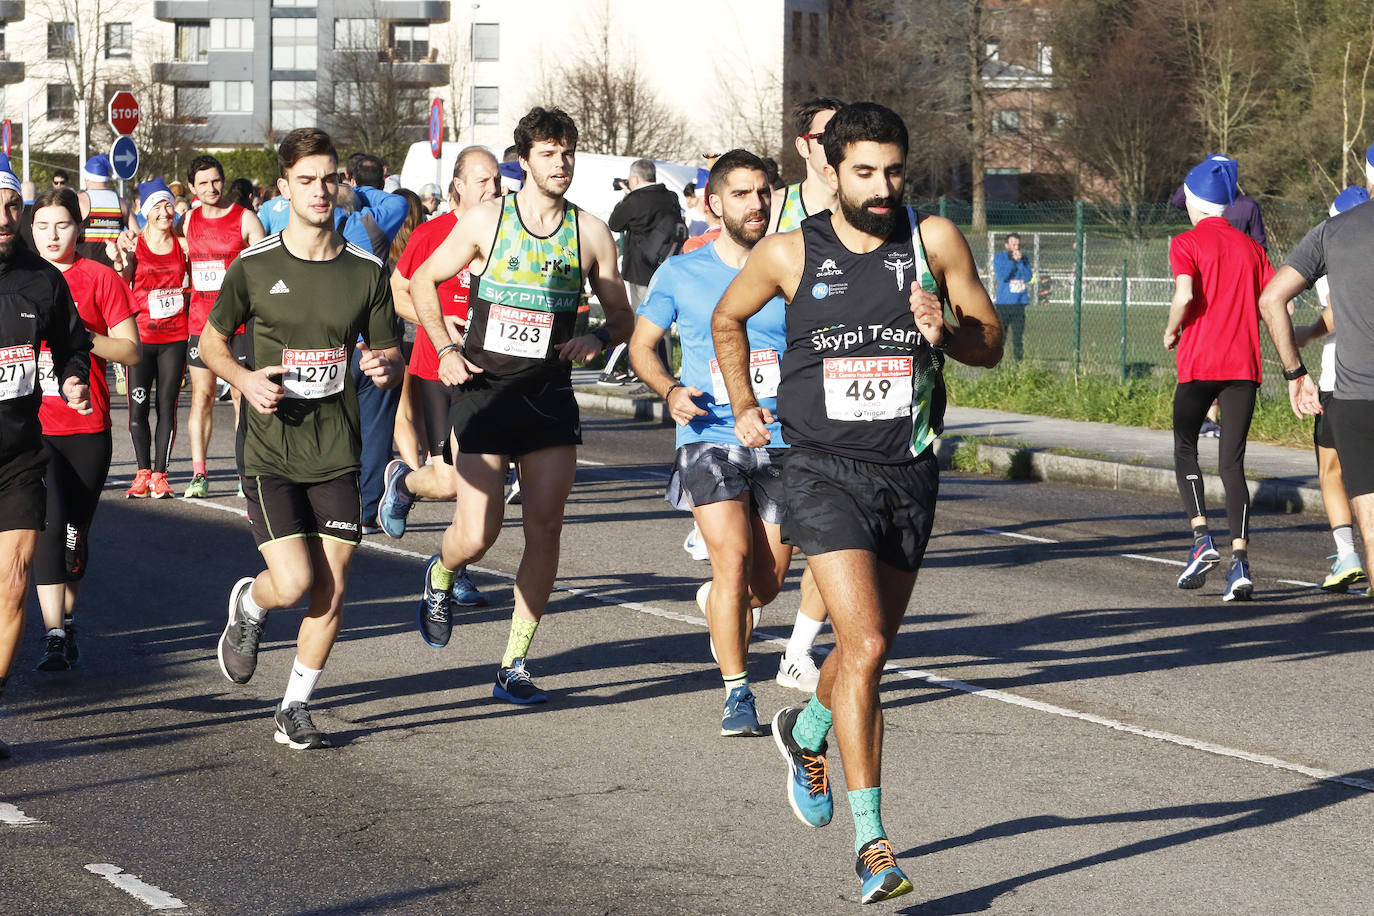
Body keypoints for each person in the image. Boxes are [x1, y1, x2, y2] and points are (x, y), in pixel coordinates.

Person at [712, 102, 1003, 903]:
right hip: (819, 470)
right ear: (832, 172)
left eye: (894, 171)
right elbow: (726, 318)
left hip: (908, 473)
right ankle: (872, 842)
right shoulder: (786, 252)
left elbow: (991, 339)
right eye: (865, 172)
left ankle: (806, 731)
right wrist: (742, 403)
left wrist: (945, 332)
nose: (882, 187)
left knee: (868, 651)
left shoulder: (932, 240)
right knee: (865, 644)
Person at [407, 107, 634, 704]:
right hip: (485, 392)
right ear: (525, 160)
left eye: (568, 152)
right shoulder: (487, 220)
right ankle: (441, 571)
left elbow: (621, 316)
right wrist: (446, 347)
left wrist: (599, 338)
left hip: (549, 397)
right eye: (548, 153)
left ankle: (514, 662)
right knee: (478, 532)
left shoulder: (590, 232)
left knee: (545, 528)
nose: (561, 163)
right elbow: (422, 282)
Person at [206, 127, 403, 750]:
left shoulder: (365, 270)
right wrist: (242, 378)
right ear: (285, 186)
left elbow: (389, 349)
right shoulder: (256, 264)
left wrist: (384, 365)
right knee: (291, 584)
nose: (321, 191)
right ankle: (251, 605)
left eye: (330, 178)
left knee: (333, 586)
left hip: (336, 448)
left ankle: (294, 705)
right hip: (270, 447)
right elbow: (211, 342)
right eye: (308, 180)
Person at [630, 149, 831, 737]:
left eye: (764, 192)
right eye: (742, 194)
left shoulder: (793, 265)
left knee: (763, 585)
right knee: (734, 560)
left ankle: (721, 601)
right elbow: (643, 346)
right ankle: (737, 692)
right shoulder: (681, 272)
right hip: (708, 436)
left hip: (782, 439)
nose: (756, 203)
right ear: (715, 204)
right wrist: (668, 390)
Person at [0, 155, 93, 758]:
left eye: (10, 206)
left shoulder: (42, 280)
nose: (4, 218)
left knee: (11, 587)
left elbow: (73, 344)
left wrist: (74, 375)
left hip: (18, 456)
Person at [378, 146, 497, 608]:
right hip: (438, 367)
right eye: (482, 181)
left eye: (496, 181)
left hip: (492, 371)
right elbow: (398, 292)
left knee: (480, 479)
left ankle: (454, 567)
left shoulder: (505, 233)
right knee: (449, 480)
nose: (492, 189)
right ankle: (405, 483)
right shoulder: (432, 233)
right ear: (459, 186)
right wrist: (436, 323)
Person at [29, 187, 140, 670]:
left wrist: (83, 338)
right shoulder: (18, 279)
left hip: (87, 424)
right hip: (31, 428)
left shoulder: (100, 278)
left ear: (79, 228)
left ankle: (67, 622)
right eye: (42, 226)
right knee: (48, 526)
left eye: (62, 225)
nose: (52, 236)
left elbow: (132, 350)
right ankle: (53, 633)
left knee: (76, 533)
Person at [1257, 142, 1374, 593]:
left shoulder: (1333, 231)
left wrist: (1294, 372)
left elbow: (1270, 299)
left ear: (1367, 179)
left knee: (1366, 517)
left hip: (1355, 397)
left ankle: (1350, 559)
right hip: (1350, 394)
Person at [1164, 156, 1275, 601]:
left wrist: (1173, 328)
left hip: (1199, 365)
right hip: (1243, 369)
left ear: (1193, 200)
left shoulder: (1186, 242)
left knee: (1186, 446)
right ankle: (1241, 564)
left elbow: (1185, 293)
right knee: (1232, 464)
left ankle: (1200, 540)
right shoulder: (1253, 249)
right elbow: (1275, 304)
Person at [1294, 186, 1370, 592]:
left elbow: (1337, 310)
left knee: (1332, 471)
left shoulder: (1337, 240)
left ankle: (1347, 555)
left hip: (1339, 380)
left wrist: (1307, 333)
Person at [182, 154, 266, 498]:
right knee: (201, 396)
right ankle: (199, 474)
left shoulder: (245, 218)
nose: (211, 188)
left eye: (216, 180)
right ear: (192, 188)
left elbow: (265, 271)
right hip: (201, 322)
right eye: (203, 183)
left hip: (238, 325)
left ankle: (241, 472)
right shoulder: (187, 219)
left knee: (239, 398)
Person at [113, 179, 190, 499]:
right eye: (157, 207)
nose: (164, 212)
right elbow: (121, 283)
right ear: (145, 212)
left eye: (169, 205)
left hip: (175, 337)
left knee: (166, 407)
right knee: (138, 410)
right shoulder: (134, 244)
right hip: (141, 338)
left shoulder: (183, 244)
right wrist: (121, 262)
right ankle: (142, 472)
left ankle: (160, 474)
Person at [600, 158, 684, 383]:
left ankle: (652, 378)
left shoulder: (636, 200)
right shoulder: (670, 196)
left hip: (641, 271)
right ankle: (663, 372)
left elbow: (615, 223)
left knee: (645, 326)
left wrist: (627, 195)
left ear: (634, 179)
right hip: (666, 267)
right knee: (662, 324)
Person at [769, 96, 845, 234]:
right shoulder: (774, 208)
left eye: (844, 137)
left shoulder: (865, 209)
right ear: (803, 147)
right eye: (825, 137)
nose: (836, 145)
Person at [76, 155, 134, 269]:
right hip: (113, 270)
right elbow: (136, 234)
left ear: (87, 178)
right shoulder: (120, 202)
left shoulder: (79, 200)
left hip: (85, 269)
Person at [992, 232, 1033, 361]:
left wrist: (1020, 262)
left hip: (1019, 304)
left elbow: (1028, 277)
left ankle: (1018, 365)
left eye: (1018, 244)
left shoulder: (1024, 259)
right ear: (1007, 245)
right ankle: (997, 365)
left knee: (1018, 339)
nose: (1016, 247)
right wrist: (1013, 262)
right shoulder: (999, 258)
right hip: (1004, 305)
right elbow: (1003, 276)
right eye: (1013, 244)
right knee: (1001, 338)